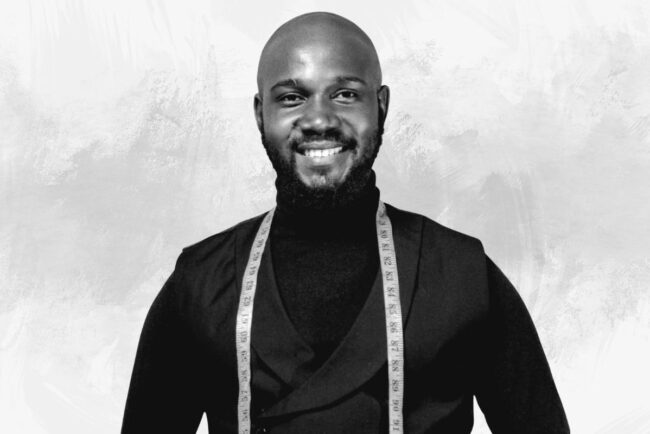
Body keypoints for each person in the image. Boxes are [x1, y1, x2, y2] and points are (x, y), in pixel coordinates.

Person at [122, 12, 570, 434]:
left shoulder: (463, 275)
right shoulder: (201, 284)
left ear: (381, 106)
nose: (319, 119)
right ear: (261, 114)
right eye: (292, 97)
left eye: (345, 94)